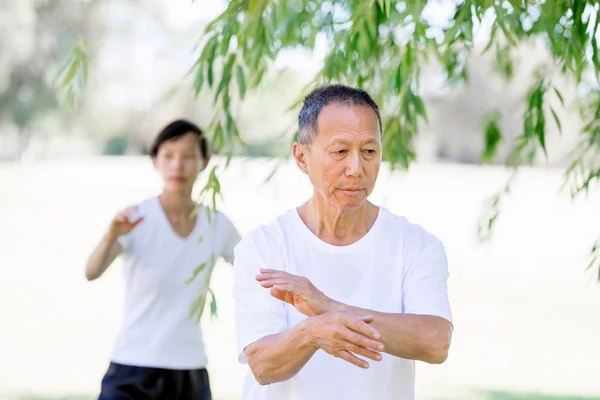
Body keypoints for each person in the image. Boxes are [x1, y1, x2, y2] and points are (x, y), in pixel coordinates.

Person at [233, 84, 453, 400]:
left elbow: (435, 342)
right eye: (340, 152)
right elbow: (263, 366)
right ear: (301, 157)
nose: (356, 169)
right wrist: (312, 333)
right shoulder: (264, 247)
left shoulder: (417, 246)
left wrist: (330, 308)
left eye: (369, 151)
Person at [85, 119, 240, 400]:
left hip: (188, 369)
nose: (177, 166)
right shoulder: (135, 218)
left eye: (188, 156)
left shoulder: (216, 224)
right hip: (131, 367)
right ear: (155, 160)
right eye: (168, 156)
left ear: (205, 161)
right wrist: (111, 235)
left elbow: (254, 270)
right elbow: (91, 272)